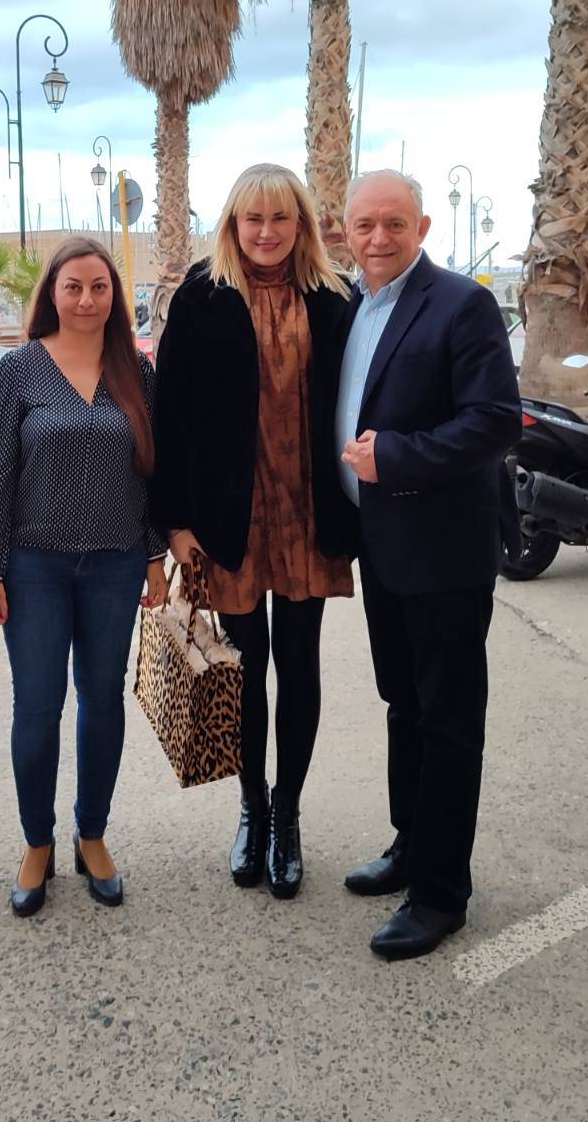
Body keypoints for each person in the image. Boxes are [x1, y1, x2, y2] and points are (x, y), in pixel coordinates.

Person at [152, 164, 358, 898]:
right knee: (242, 671)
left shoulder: (336, 300)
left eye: (280, 218)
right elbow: (170, 417)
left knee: (300, 666)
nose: (266, 232)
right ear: (233, 225)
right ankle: (252, 809)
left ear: (301, 224)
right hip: (227, 517)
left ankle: (288, 815)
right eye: (253, 219)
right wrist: (174, 522)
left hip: (308, 512)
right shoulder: (201, 298)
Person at [335, 170, 520, 960]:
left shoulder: (461, 304)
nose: (379, 238)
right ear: (346, 230)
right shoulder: (352, 305)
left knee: (447, 719)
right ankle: (411, 845)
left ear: (422, 228)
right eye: (365, 225)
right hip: (382, 548)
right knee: (403, 704)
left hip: (444, 552)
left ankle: (442, 893)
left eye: (394, 223)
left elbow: (495, 421)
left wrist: (396, 457)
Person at [0, 237, 167, 917]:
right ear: (51, 293)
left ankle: (92, 835)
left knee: (102, 701)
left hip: (115, 563)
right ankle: (37, 844)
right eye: (73, 287)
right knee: (37, 705)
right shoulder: (19, 370)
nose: (86, 299)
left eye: (99, 287)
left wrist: (154, 557)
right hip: (35, 567)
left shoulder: (136, 372)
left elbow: (151, 475)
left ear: (115, 297)